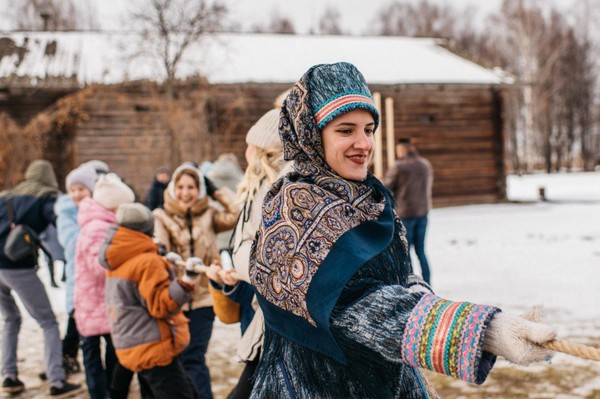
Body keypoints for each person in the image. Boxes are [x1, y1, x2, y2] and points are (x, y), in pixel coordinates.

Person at [247, 62, 557, 398]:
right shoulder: (294, 210)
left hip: (387, 381)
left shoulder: (372, 200)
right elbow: (358, 307)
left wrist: (441, 309)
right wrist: (484, 331)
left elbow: (400, 279)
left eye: (368, 129)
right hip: (314, 387)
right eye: (345, 130)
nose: (363, 143)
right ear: (311, 134)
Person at [206, 108, 291, 399]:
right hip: (259, 308)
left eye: (249, 143)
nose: (245, 150)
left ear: (262, 148)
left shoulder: (272, 189)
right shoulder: (259, 186)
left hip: (272, 318)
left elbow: (264, 256)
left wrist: (241, 268)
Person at [153, 162, 239, 398]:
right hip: (176, 298)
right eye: (180, 186)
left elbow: (237, 213)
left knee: (194, 357)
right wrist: (162, 250)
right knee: (178, 360)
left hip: (203, 300)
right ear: (172, 188)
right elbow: (159, 247)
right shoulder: (161, 216)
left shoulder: (209, 214)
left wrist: (215, 191)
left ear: (199, 189)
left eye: (191, 186)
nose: (185, 192)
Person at [100, 203, 200, 399]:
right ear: (146, 230)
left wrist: (163, 262)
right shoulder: (147, 262)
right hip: (153, 347)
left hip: (133, 343)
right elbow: (161, 305)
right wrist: (187, 280)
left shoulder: (118, 256)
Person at [0, 160, 81, 396]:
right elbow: (61, 227)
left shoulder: (7, 197)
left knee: (10, 319)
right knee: (48, 321)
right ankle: (57, 381)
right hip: (18, 268)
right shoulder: (45, 199)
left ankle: (9, 376)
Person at [75, 172, 135, 399]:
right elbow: (98, 266)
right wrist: (129, 259)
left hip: (99, 302)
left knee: (109, 355)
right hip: (97, 303)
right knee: (98, 358)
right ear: (113, 206)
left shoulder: (100, 223)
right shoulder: (98, 227)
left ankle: (108, 392)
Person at [55, 164, 98, 377]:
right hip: (78, 280)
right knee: (77, 323)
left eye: (82, 189)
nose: (77, 194)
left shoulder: (100, 209)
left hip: (98, 282)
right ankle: (66, 356)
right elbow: (72, 244)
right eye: (73, 190)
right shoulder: (66, 212)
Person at [383, 137, 434, 285]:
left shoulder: (399, 166)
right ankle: (428, 283)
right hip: (423, 213)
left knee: (405, 252)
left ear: (401, 150)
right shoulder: (425, 164)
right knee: (421, 251)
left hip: (405, 215)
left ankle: (410, 283)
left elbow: (385, 187)